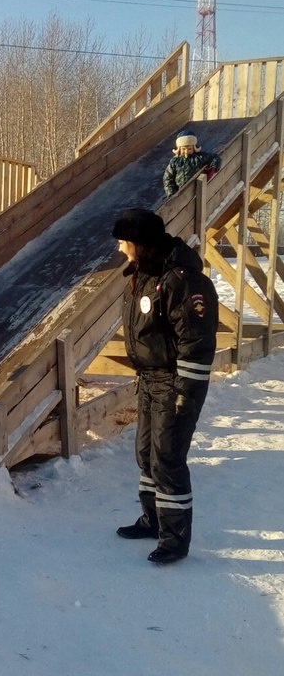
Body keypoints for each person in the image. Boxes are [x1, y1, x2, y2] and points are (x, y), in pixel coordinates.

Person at [111, 208, 219, 565]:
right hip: (149, 379)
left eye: (123, 241)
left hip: (175, 382)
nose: (119, 248)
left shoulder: (182, 281)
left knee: (167, 459)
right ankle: (153, 520)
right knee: (146, 454)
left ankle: (175, 539)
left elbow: (196, 342)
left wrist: (185, 393)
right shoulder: (143, 274)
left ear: (140, 242)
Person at [163, 130, 221, 198]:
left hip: (196, 191)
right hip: (180, 192)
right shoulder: (175, 161)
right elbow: (168, 178)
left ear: (194, 148)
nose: (186, 151)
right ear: (179, 149)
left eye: (189, 149)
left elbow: (215, 158)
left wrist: (213, 167)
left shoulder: (199, 157)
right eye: (183, 149)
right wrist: (171, 192)